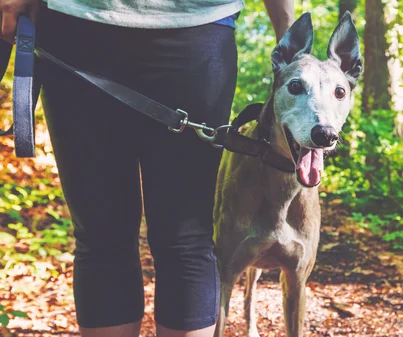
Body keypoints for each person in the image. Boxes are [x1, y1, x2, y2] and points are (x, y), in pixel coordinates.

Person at [0, 0, 294, 336]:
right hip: (75, 25)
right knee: (101, 234)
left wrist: (289, 34)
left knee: (185, 237)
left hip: (196, 28)